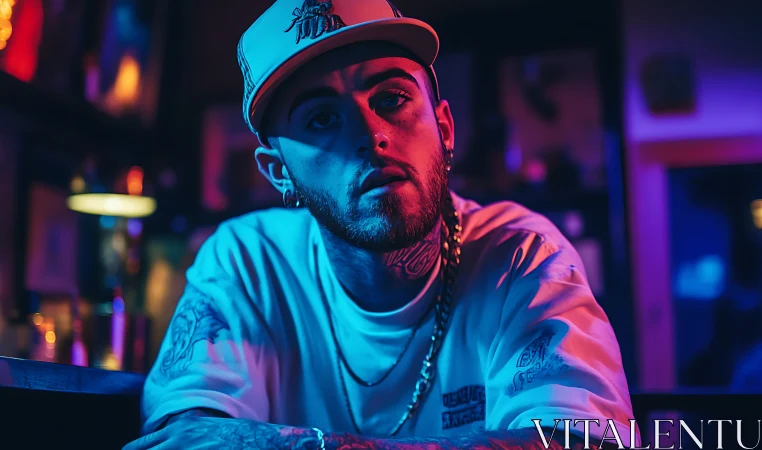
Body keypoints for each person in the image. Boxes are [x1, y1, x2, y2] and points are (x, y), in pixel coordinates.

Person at [125, 0, 639, 448]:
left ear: (443, 128)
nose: (371, 135)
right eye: (321, 118)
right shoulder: (247, 263)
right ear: (280, 173)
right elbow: (181, 436)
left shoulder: (521, 257)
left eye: (392, 98)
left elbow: (584, 441)